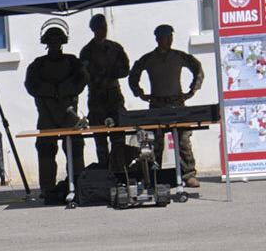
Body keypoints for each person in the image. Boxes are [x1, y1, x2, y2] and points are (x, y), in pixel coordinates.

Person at [128, 24, 204, 187]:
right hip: (157, 104)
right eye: (164, 37)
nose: (168, 41)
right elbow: (133, 75)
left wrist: (193, 90)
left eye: (170, 37)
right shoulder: (148, 59)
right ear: (157, 39)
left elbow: (197, 69)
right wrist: (139, 93)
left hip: (177, 103)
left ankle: (188, 174)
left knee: (183, 140)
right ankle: (154, 176)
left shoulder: (179, 56)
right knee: (155, 142)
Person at [25, 25, 88, 195]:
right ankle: (47, 189)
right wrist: (53, 91)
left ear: (62, 42)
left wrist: (61, 90)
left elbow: (82, 80)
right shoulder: (38, 65)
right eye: (51, 41)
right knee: (45, 150)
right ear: (46, 43)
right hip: (46, 114)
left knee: (75, 149)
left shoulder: (73, 62)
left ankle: (78, 184)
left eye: (57, 41)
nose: (54, 44)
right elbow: (31, 86)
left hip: (69, 115)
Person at [79, 13, 131, 169]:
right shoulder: (87, 51)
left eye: (104, 27)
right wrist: (97, 76)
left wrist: (110, 73)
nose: (103, 30)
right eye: (99, 27)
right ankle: (103, 171)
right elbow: (83, 74)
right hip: (96, 98)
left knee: (118, 138)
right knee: (100, 139)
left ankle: (119, 171)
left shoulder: (115, 48)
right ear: (93, 29)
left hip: (114, 97)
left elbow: (125, 69)